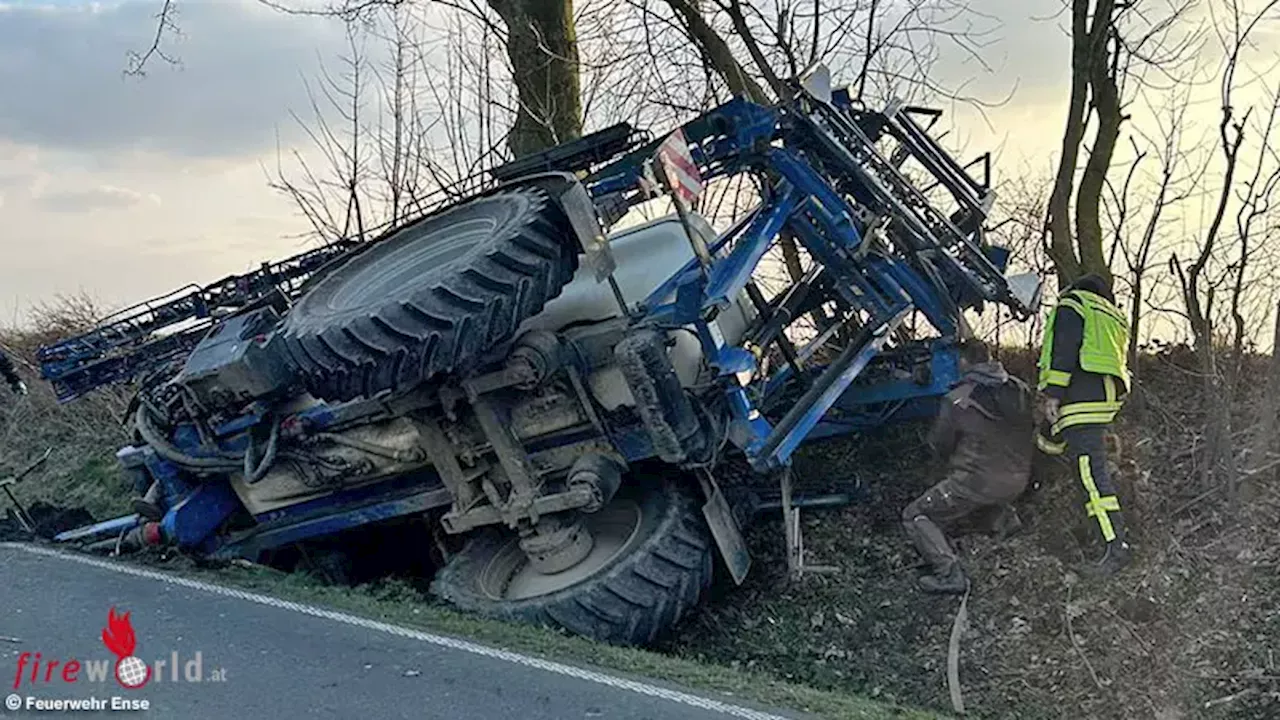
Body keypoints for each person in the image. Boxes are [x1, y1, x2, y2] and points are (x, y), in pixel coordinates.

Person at [902, 338, 1035, 594]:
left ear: (963, 361)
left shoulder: (958, 398)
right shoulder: (1020, 389)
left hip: (977, 483)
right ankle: (1006, 520)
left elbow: (939, 445)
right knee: (984, 485)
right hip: (1019, 479)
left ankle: (949, 574)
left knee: (915, 514)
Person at [1035, 273, 1132, 576]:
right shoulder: (1110, 314)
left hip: (1079, 399)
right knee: (1064, 452)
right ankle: (1103, 537)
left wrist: (1053, 393)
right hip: (1103, 401)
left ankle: (1115, 548)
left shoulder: (1073, 304)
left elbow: (1064, 351)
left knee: (1091, 476)